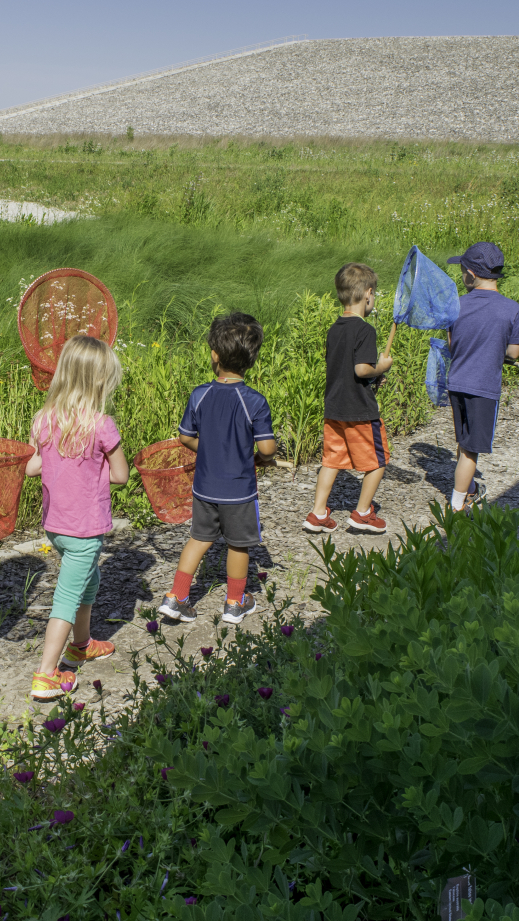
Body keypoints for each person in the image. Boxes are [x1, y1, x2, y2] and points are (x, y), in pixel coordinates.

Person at [23, 336, 129, 700]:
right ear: (100, 381)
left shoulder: (45, 419)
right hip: (85, 529)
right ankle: (46, 673)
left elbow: (33, 467)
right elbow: (120, 476)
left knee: (89, 581)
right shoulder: (102, 425)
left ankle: (81, 645)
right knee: (67, 598)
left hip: (56, 526)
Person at [158, 313, 278, 625]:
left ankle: (176, 597)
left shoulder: (200, 394)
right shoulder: (255, 401)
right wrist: (264, 459)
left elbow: (186, 436)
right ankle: (235, 603)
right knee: (238, 544)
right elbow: (266, 449)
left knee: (199, 538)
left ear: (215, 355)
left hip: (205, 487)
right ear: (251, 359)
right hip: (238, 490)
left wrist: (207, 448)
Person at [304, 263, 394, 534]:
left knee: (331, 461)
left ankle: (318, 513)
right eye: (374, 294)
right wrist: (381, 368)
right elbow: (361, 369)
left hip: (334, 408)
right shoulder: (365, 330)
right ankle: (363, 513)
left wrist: (372, 379)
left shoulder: (335, 329)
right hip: (360, 410)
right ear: (368, 294)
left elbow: (345, 369)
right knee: (378, 461)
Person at [444, 241, 519, 511]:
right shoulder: (511, 309)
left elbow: (453, 345)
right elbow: (513, 352)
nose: (461, 275)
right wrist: (502, 354)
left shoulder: (457, 304)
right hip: (483, 388)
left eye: (462, 270)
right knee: (471, 449)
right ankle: (457, 505)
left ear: (472, 274)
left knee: (463, 440)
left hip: (456, 382)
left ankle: (470, 487)